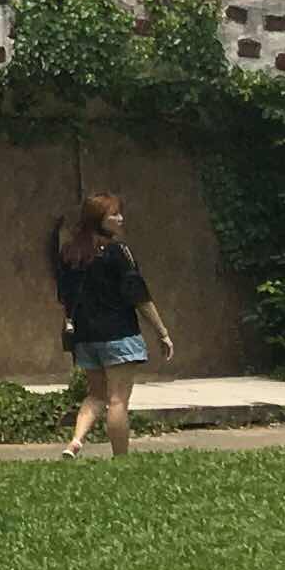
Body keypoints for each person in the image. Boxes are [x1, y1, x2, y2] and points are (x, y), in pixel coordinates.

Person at [49, 193, 176, 458]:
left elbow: (64, 295)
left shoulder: (71, 253)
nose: (121, 218)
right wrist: (162, 332)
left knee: (96, 394)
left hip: (85, 336)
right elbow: (138, 295)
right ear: (99, 220)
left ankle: (75, 441)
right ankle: (120, 457)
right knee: (118, 399)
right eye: (114, 214)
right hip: (119, 334)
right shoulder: (118, 252)